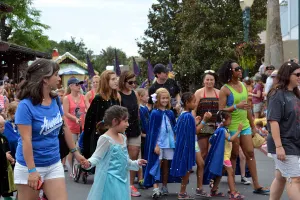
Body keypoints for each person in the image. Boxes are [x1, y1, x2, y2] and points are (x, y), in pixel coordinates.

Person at [13, 59, 86, 200]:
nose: (59, 78)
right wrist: (32, 170)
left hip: (53, 162)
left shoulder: (55, 100)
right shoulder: (25, 106)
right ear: (45, 79)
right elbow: (26, 140)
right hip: (30, 166)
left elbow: (64, 127)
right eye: (56, 75)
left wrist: (75, 153)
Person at [218, 60, 269, 194]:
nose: (240, 70)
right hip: (233, 126)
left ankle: (257, 185)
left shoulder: (243, 85)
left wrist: (253, 125)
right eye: (237, 69)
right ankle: (232, 187)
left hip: (245, 125)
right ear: (230, 72)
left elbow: (247, 108)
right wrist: (236, 106)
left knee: (250, 153)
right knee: (234, 156)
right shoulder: (224, 89)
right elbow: (221, 111)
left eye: (240, 68)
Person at [82, 105, 147, 200]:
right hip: (110, 182)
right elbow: (97, 157)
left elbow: (125, 161)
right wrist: (89, 163)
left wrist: (136, 163)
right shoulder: (105, 139)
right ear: (115, 121)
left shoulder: (123, 138)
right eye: (125, 121)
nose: (128, 124)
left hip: (122, 181)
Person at [267, 62, 300, 200]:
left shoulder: (295, 94)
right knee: (295, 178)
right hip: (284, 143)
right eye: (297, 74)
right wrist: (279, 146)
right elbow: (273, 121)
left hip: (294, 142)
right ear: (287, 75)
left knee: (281, 177)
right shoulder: (277, 94)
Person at [171, 92, 210, 199]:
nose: (195, 103)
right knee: (187, 167)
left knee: (201, 164)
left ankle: (199, 188)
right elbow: (195, 132)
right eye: (193, 102)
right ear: (187, 103)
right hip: (189, 144)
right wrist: (204, 121)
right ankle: (182, 192)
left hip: (191, 143)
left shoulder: (184, 115)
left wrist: (195, 122)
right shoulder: (187, 116)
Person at [143, 88, 178, 198]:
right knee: (156, 164)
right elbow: (153, 131)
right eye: (163, 98)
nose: (165, 100)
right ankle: (155, 188)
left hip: (169, 143)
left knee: (166, 165)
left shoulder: (170, 112)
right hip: (159, 144)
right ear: (157, 99)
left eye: (167, 98)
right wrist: (155, 145)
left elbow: (174, 127)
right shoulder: (154, 113)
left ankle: (164, 185)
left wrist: (175, 139)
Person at [204, 111, 245, 199]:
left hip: (223, 156)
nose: (231, 121)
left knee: (220, 174)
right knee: (230, 172)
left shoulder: (219, 129)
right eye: (229, 119)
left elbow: (211, 140)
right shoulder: (222, 130)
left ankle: (214, 190)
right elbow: (230, 139)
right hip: (224, 157)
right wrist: (238, 131)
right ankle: (233, 192)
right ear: (224, 120)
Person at [83, 70, 120, 159]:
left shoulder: (115, 98)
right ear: (106, 82)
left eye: (116, 79)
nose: (116, 81)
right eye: (113, 79)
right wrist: (87, 145)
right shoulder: (98, 99)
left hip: (115, 137)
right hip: (102, 138)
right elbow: (90, 121)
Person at [118, 71, 142, 196]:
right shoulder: (118, 95)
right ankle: (121, 183)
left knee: (133, 157)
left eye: (134, 82)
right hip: (122, 130)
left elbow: (137, 112)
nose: (133, 85)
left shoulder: (135, 94)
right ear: (123, 81)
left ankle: (131, 185)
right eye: (130, 82)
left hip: (135, 129)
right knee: (121, 158)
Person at [194, 70, 219, 160]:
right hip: (202, 125)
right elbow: (194, 109)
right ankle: (202, 172)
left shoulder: (219, 93)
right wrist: (194, 122)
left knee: (213, 152)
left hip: (216, 125)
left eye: (211, 80)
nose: (209, 82)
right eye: (207, 80)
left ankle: (210, 173)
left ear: (215, 81)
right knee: (203, 153)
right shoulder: (198, 92)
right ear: (204, 81)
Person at [63, 77, 86, 175]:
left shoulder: (83, 97)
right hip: (71, 127)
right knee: (71, 150)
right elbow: (66, 113)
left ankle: (78, 168)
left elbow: (85, 109)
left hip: (81, 127)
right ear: (71, 86)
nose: (79, 86)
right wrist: (75, 119)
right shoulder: (66, 98)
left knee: (79, 148)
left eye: (80, 84)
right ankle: (71, 170)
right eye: (77, 84)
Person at [135, 88, 150, 189]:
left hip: (146, 134)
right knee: (142, 156)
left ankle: (143, 177)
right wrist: (142, 134)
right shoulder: (140, 109)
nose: (148, 97)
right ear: (140, 97)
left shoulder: (145, 108)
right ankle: (141, 177)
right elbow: (140, 124)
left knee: (144, 155)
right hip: (143, 136)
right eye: (146, 96)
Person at [0, 115, 16, 200]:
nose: (3, 128)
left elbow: (8, 151)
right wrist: (4, 155)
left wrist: (11, 159)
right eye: (0, 126)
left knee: (6, 191)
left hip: (5, 169)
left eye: (3, 126)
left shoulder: (4, 138)